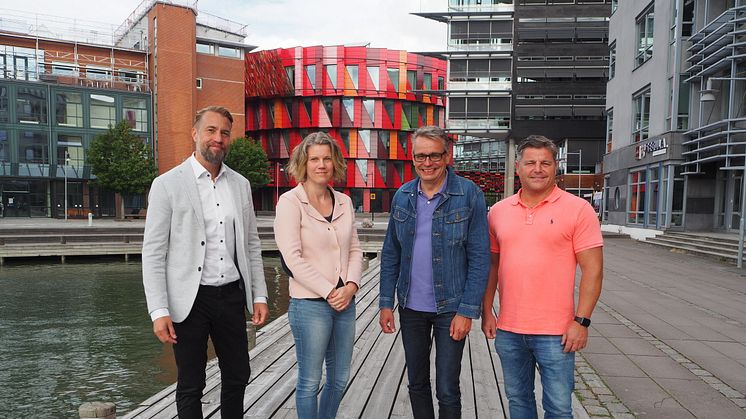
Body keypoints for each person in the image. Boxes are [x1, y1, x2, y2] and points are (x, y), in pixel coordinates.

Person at [142, 105, 269, 419]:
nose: (218, 138)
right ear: (195, 133)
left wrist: (260, 294)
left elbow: (252, 244)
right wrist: (159, 311)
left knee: (238, 373)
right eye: (211, 130)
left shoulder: (240, 185)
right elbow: (154, 252)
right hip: (189, 299)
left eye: (224, 132)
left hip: (230, 296)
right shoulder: (167, 185)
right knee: (190, 383)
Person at [482, 135, 603, 419]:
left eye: (545, 163)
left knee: (559, 408)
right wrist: (487, 311)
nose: (538, 169)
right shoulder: (498, 212)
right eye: (531, 163)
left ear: (555, 167)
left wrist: (581, 321)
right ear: (518, 168)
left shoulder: (579, 209)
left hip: (557, 333)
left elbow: (594, 270)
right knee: (518, 401)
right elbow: (491, 266)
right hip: (509, 330)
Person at [379, 125, 490, 419]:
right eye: (420, 157)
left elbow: (480, 257)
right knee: (416, 383)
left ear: (447, 155)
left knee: (447, 387)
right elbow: (391, 253)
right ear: (412, 158)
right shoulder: (402, 196)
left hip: (451, 308)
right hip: (411, 307)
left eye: (434, 156)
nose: (427, 163)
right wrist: (385, 303)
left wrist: (467, 311)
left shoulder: (469, 195)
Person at [274, 132, 363, 419]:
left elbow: (355, 249)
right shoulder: (290, 202)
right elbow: (292, 258)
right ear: (304, 163)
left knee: (339, 380)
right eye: (314, 159)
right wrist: (329, 291)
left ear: (334, 162)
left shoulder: (344, 202)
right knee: (310, 382)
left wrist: (350, 287)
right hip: (310, 305)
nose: (321, 165)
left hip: (345, 303)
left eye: (327, 158)